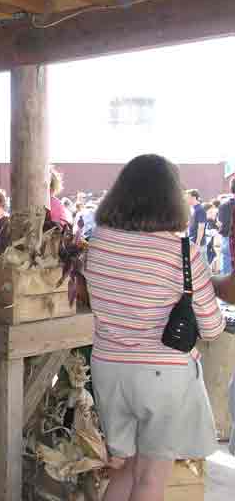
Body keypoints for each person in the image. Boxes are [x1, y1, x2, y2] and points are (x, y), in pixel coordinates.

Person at [84, 154, 224, 501]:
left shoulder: (97, 243)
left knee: (124, 469)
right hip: (162, 375)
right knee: (151, 478)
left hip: (109, 370)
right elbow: (211, 327)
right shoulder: (182, 252)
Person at [218, 180, 235, 275]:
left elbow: (220, 223)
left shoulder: (224, 205)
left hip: (227, 238)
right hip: (228, 238)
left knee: (227, 272)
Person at [186, 189, 208, 262]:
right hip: (192, 240)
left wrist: (197, 243)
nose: (186, 199)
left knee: (203, 264)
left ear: (193, 198)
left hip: (198, 243)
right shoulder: (193, 209)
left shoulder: (200, 209)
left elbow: (201, 228)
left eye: (187, 197)